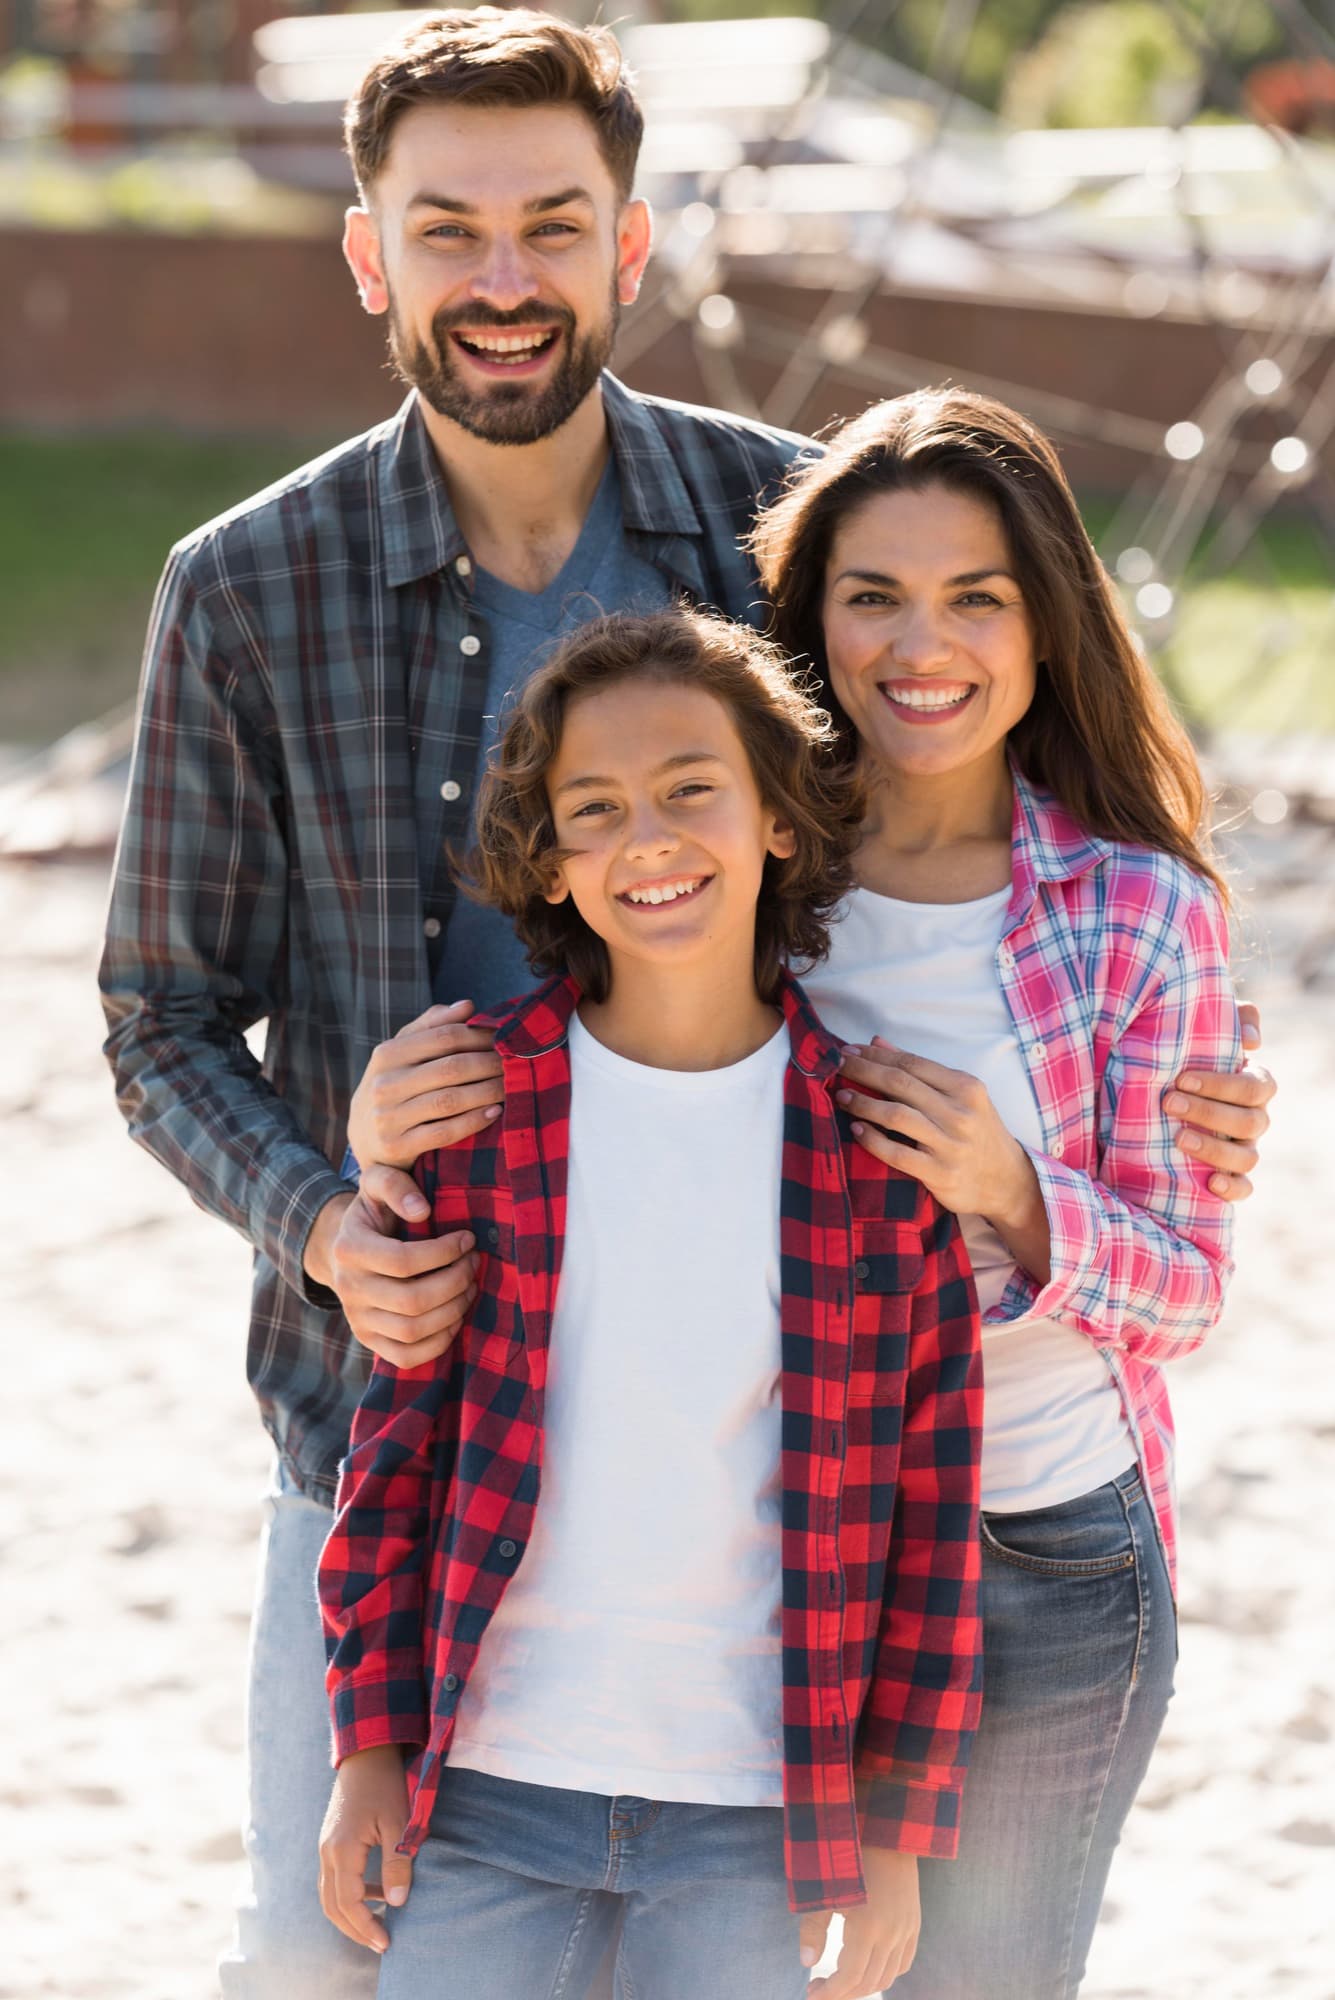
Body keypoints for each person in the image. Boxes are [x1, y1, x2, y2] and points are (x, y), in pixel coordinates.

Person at [96, 11, 821, 1993]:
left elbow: (960, 895)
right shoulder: (243, 590)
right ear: (368, 255)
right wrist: (323, 1223)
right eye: (447, 230)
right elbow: (159, 1015)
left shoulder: (795, 536)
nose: (500, 281)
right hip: (380, 1442)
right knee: (322, 1963)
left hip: (744, 1446)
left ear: (630, 245)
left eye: (548, 226)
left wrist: (1155, 1072)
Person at [316, 608, 985, 2000]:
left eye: (692, 789)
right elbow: (393, 1452)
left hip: (755, 1811)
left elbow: (929, 1509)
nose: (650, 838)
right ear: (552, 866)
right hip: (488, 1790)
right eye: (596, 810)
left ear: (781, 822)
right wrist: (368, 1745)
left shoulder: (874, 1155)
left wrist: (898, 1825)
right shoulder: (478, 1120)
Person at [746, 386, 1242, 1996]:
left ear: (1044, 627)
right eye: (871, 594)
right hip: (775, 1542)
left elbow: (1187, 1287)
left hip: (1049, 1557)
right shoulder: (740, 879)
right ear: (813, 621)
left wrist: (1014, 1194)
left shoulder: (1135, 910)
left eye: (977, 596)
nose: (921, 644)